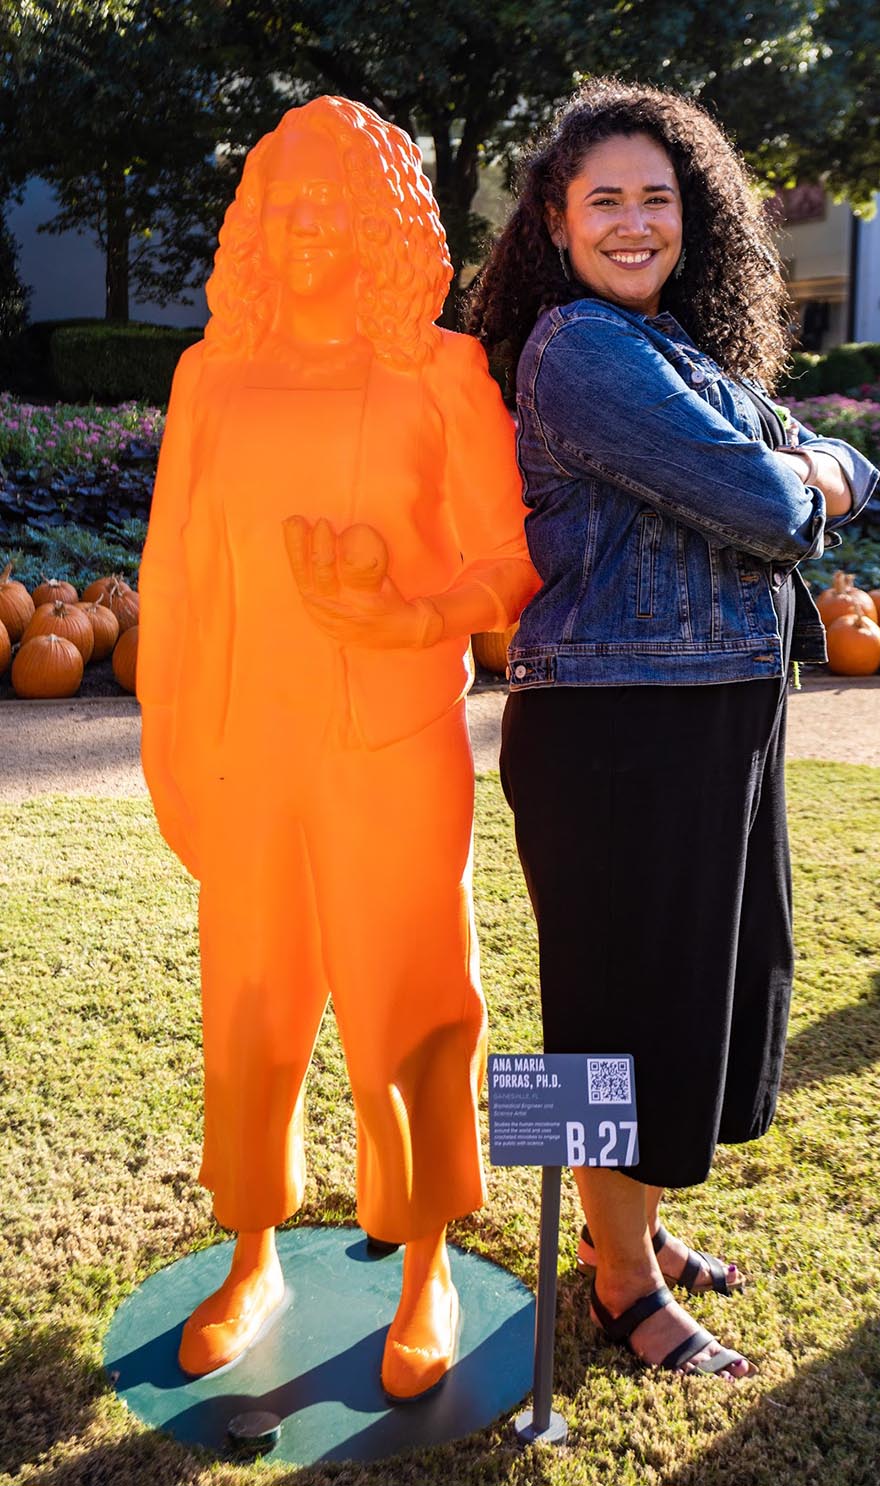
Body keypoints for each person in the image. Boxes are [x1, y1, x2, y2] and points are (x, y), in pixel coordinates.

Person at [466, 79, 878, 1380]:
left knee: (688, 1000)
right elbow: (769, 496)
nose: (636, 223)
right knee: (613, 1012)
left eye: (659, 197)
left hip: (713, 723)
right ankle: (618, 1278)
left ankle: (631, 1231)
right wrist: (804, 476)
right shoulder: (579, 349)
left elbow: (832, 459)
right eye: (607, 201)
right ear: (556, 215)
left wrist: (812, 470)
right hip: (615, 736)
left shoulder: (678, 351)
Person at [137, 95, 537, 1401]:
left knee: (407, 1003)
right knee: (248, 1003)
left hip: (392, 747)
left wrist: (404, 608)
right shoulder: (212, 374)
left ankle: (422, 1259)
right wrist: (170, 743)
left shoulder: (438, 373)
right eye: (283, 204)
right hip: (248, 742)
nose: (309, 227)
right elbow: (178, 577)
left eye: (334, 204)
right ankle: (250, 1251)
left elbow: (509, 562)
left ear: (383, 224)